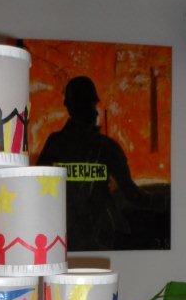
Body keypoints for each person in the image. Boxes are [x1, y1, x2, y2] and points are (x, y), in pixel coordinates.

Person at [37, 76, 146, 250]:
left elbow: (38, 192)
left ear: (68, 105)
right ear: (75, 107)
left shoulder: (55, 143)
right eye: (92, 105)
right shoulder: (107, 147)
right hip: (94, 238)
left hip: (69, 237)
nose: (96, 112)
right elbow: (131, 193)